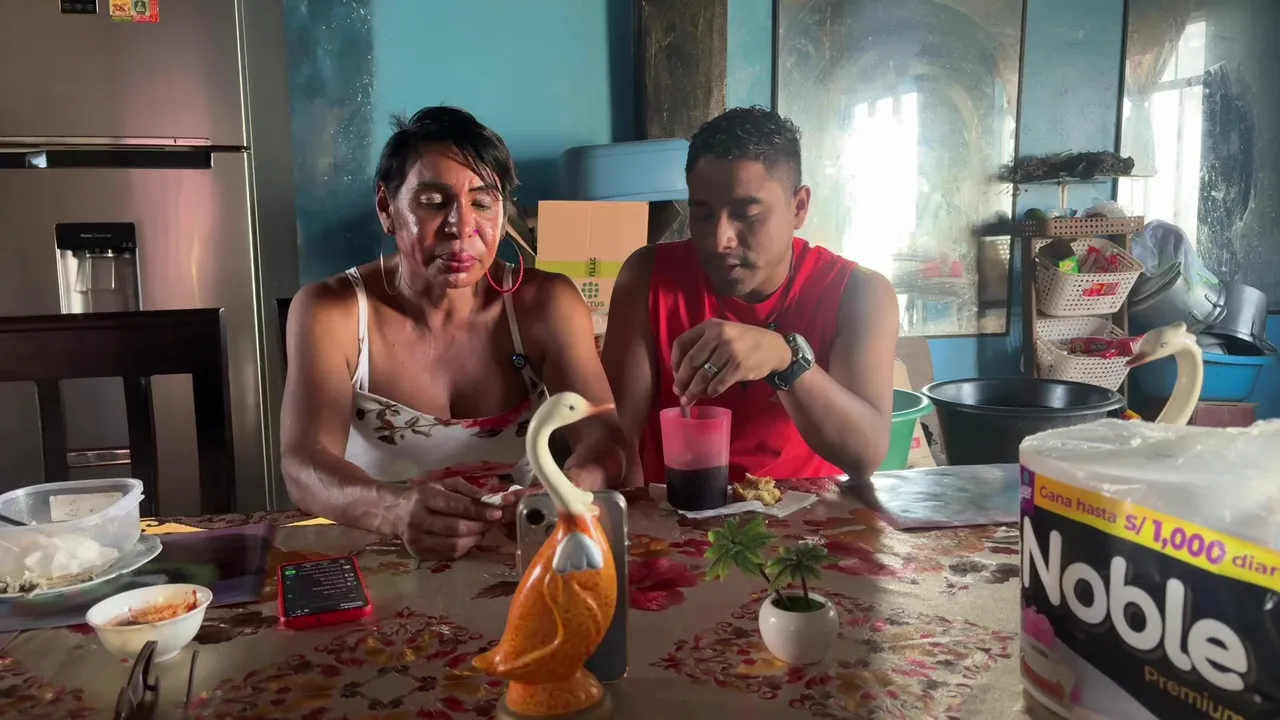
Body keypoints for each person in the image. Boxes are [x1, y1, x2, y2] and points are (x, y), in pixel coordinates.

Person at [281, 106, 624, 560]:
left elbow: (604, 438)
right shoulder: (331, 311)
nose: (461, 227)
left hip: (514, 549)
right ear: (386, 207)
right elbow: (303, 465)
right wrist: (393, 511)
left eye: (482, 203)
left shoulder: (545, 304)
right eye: (432, 201)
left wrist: (567, 487)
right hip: (378, 549)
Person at [602, 106, 898, 488]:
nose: (720, 240)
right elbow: (616, 441)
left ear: (799, 208)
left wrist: (785, 360)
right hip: (676, 512)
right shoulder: (648, 278)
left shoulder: (857, 293)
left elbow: (865, 455)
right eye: (703, 215)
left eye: (746, 214)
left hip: (807, 518)